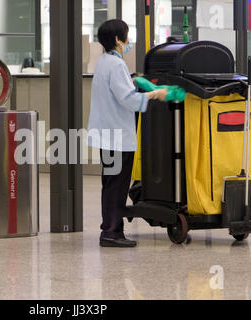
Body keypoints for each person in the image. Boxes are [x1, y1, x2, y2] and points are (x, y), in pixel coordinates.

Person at [87, 19, 167, 248]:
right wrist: (155, 94)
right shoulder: (116, 64)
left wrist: (131, 82)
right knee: (117, 185)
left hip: (107, 135)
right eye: (126, 36)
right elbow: (128, 100)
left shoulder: (104, 61)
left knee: (110, 184)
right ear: (117, 40)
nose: (128, 41)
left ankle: (110, 229)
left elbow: (118, 90)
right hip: (117, 137)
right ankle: (111, 232)